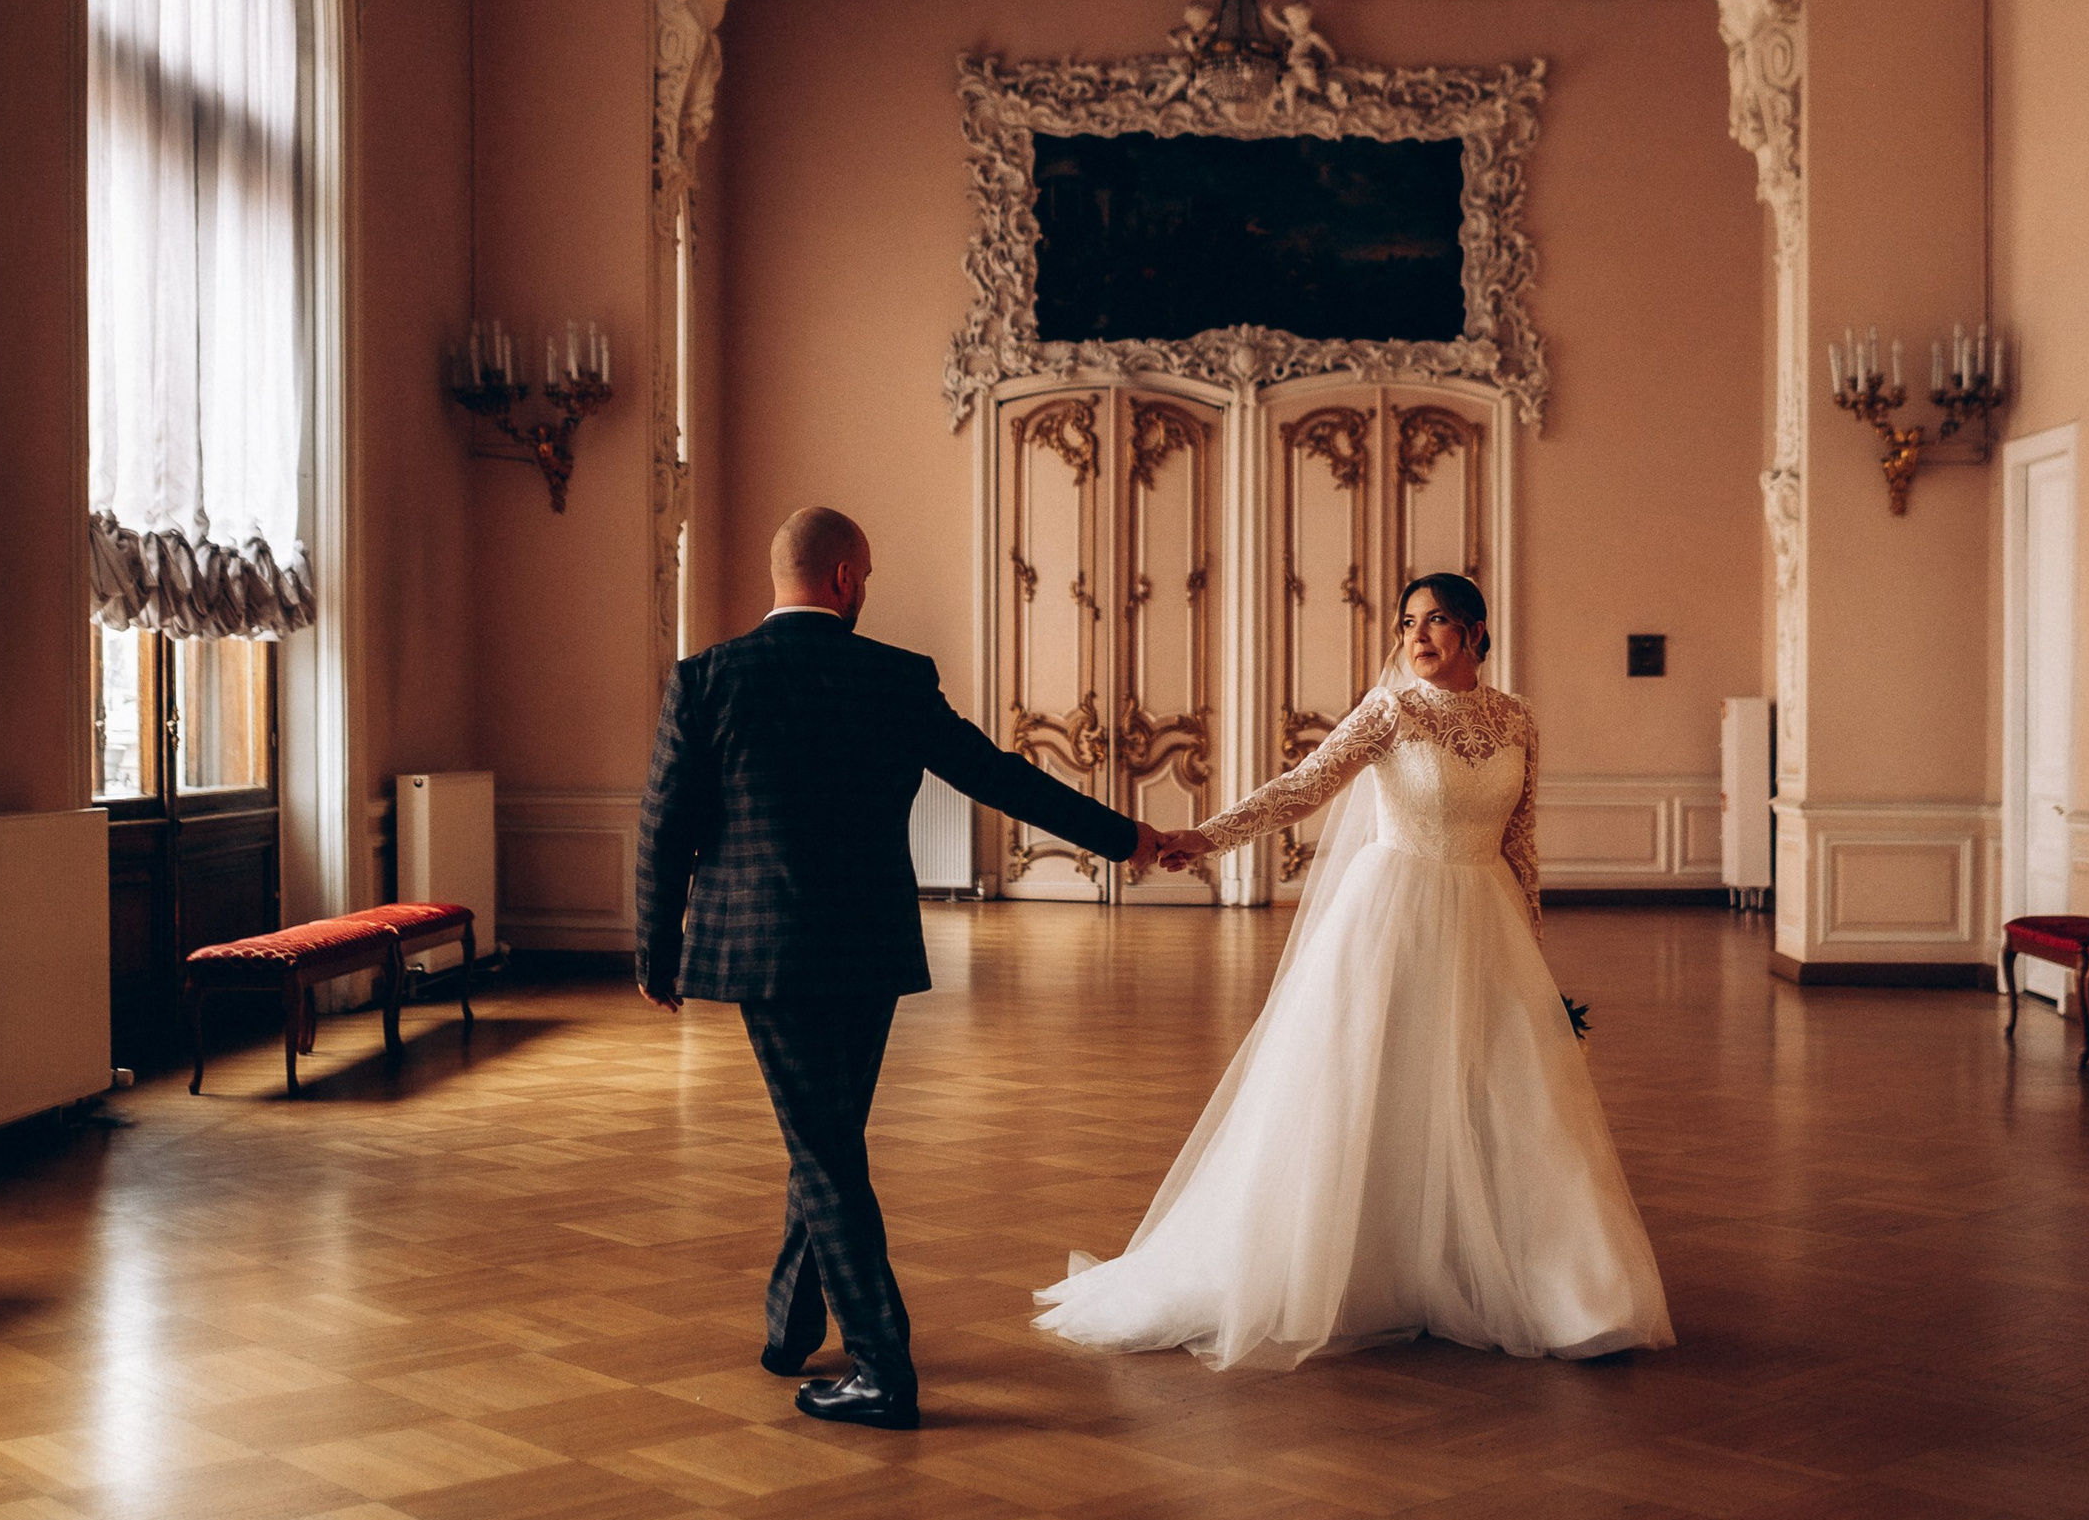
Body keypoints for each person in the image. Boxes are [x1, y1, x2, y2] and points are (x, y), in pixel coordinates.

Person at [1036, 572, 1675, 1371]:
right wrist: (1206, 836)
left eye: (1438, 620)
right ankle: (1356, 1271)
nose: (1419, 636)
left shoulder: (1517, 719)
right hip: (1393, 918)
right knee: (1370, 1087)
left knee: (1502, 1097)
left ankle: (1559, 1289)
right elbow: (1305, 787)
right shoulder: (1392, 710)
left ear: (1477, 632)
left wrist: (1535, 957)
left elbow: (1523, 840)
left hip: (1490, 921)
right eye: (1409, 621)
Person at [638, 503, 1167, 1430]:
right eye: (867, 575)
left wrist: (656, 947)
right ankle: (792, 1328)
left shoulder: (709, 678)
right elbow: (1001, 775)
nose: (865, 589)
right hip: (869, 944)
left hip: (763, 950)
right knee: (830, 1138)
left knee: (825, 1147)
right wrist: (1124, 837)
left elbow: (663, 826)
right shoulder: (893, 676)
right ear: (844, 578)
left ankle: (884, 1368)